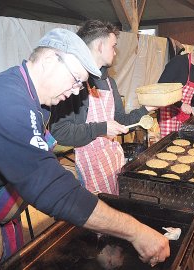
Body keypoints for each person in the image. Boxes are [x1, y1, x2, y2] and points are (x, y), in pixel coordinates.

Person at [0, 28, 169, 269]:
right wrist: (136, 232)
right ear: (50, 61)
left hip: (0, 218)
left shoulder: (32, 99)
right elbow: (49, 188)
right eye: (76, 80)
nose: (77, 91)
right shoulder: (5, 101)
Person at [50, 20, 156, 195]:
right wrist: (102, 128)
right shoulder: (72, 82)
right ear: (99, 45)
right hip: (90, 163)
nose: (115, 52)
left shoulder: (109, 82)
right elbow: (60, 132)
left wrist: (146, 108)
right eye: (113, 46)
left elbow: (120, 121)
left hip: (113, 158)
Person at [157, 41, 194, 137]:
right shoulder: (178, 62)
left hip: (184, 114)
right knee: (168, 143)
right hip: (169, 114)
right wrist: (180, 104)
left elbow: (193, 91)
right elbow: (161, 87)